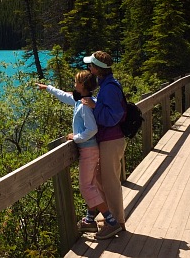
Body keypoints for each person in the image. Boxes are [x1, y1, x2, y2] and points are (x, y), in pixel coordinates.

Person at [36, 71, 117, 236]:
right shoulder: (82, 101)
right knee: (91, 185)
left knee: (86, 187)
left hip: (88, 150)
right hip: (89, 150)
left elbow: (92, 129)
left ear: (82, 86)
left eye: (76, 82)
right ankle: (89, 220)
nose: (74, 84)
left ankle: (111, 221)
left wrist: (76, 137)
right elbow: (64, 96)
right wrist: (48, 88)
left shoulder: (85, 106)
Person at [81, 50, 125, 239]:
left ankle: (115, 221)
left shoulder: (110, 88)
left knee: (110, 182)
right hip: (108, 140)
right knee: (101, 179)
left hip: (111, 140)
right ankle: (111, 219)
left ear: (98, 69)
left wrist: (94, 106)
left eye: (90, 65)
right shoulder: (106, 85)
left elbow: (113, 116)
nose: (88, 68)